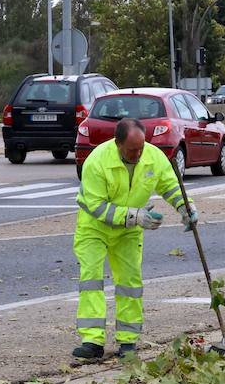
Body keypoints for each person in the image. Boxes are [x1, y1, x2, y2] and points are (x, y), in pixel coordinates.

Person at [72, 117, 198, 359]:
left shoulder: (152, 156)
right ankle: (92, 341)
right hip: (94, 228)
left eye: (141, 148)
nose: (138, 154)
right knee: (92, 281)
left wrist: (185, 208)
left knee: (130, 283)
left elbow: (171, 186)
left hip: (128, 232)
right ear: (118, 144)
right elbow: (96, 207)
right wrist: (135, 216)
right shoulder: (97, 162)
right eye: (132, 150)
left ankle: (128, 341)